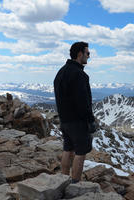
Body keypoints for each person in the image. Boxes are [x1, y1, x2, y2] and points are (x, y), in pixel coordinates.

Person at [53, 41, 96, 183]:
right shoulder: (79, 75)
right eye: (87, 53)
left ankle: (63, 181)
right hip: (78, 121)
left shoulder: (61, 72)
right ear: (80, 54)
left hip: (64, 120)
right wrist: (90, 120)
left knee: (68, 149)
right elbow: (83, 101)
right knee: (81, 152)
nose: (88, 56)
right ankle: (75, 184)